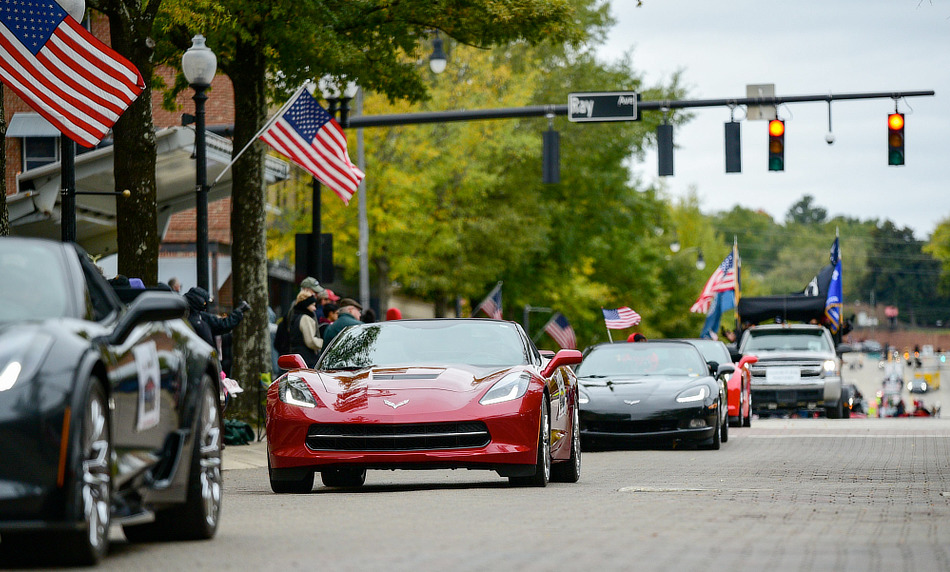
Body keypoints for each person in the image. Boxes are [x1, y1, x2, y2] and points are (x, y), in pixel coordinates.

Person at [183, 286, 248, 349]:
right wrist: (238, 312)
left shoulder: (199, 317)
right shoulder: (200, 318)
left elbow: (222, 324)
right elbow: (223, 325)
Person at [287, 293, 323, 367]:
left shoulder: (295, 316)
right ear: (306, 304)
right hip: (307, 358)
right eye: (313, 305)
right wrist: (323, 342)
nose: (315, 308)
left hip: (297, 356)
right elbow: (310, 341)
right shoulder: (305, 318)